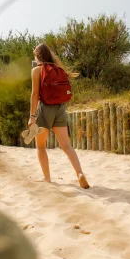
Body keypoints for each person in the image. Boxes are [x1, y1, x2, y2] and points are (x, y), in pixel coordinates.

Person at [28, 43, 90, 189]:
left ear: (37, 56)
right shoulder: (59, 69)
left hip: (44, 109)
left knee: (41, 147)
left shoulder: (37, 71)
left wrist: (32, 115)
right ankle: (79, 173)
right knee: (67, 146)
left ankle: (47, 178)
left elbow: (35, 94)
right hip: (60, 109)